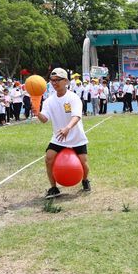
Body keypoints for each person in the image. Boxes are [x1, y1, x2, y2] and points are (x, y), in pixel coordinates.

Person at [38, 68, 90, 198]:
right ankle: (53, 188)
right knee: (48, 159)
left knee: (83, 162)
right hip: (59, 137)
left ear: (66, 81)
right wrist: (37, 113)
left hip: (76, 136)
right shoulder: (49, 101)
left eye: (57, 80)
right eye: (52, 80)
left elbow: (77, 116)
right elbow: (44, 119)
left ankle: (85, 180)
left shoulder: (73, 98)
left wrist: (67, 128)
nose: (54, 83)